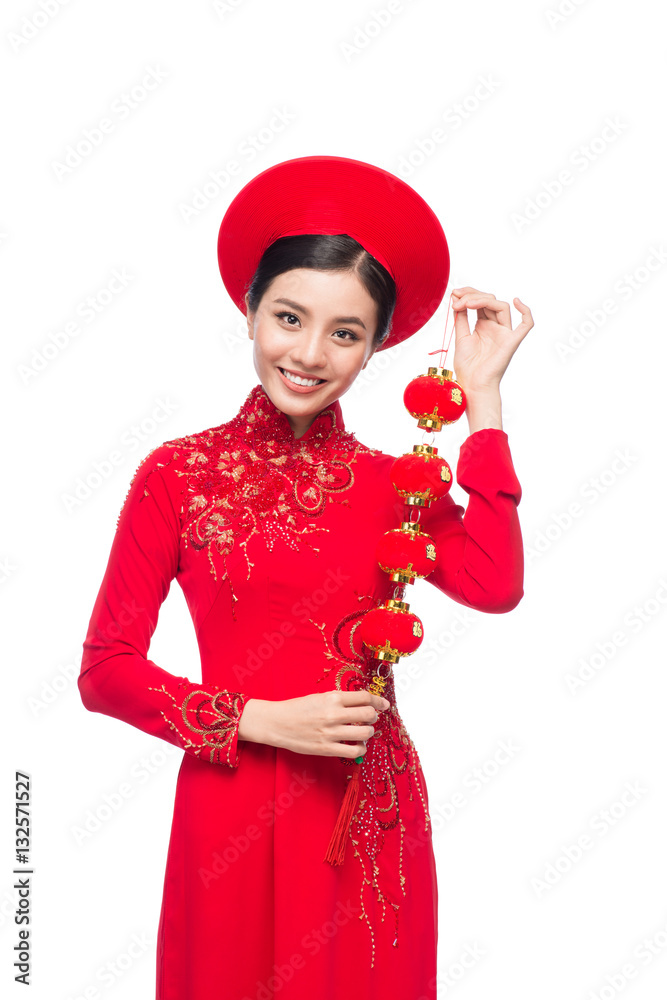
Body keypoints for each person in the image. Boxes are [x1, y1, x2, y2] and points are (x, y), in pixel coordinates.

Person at [78, 155, 534, 1000]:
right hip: (230, 802)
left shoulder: (397, 485)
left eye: (346, 333)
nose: (309, 354)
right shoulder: (175, 475)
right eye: (289, 317)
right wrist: (260, 719)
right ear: (249, 310)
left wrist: (483, 402)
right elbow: (105, 671)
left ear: (374, 348)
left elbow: (495, 581)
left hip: (365, 810)